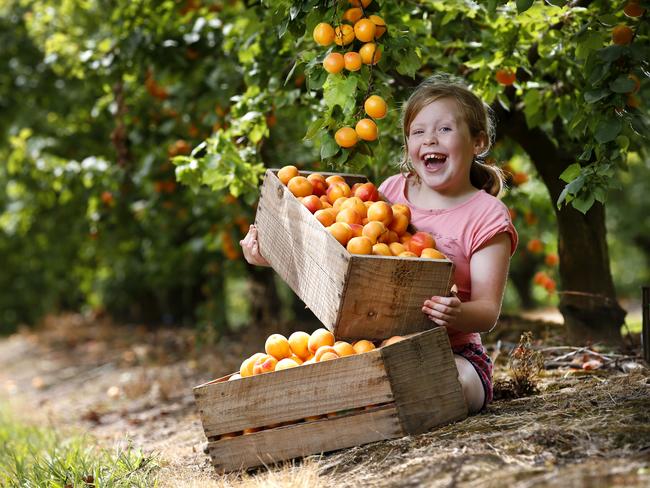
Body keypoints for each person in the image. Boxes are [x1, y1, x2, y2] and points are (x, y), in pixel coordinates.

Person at [241, 74, 517, 414]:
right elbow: (344, 259)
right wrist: (273, 254)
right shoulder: (390, 194)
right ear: (408, 146)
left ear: (478, 142)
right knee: (328, 386)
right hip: (369, 347)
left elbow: (487, 313)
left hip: (450, 352)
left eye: (444, 129)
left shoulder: (486, 215)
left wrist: (457, 313)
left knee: (449, 385)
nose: (429, 139)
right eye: (418, 132)